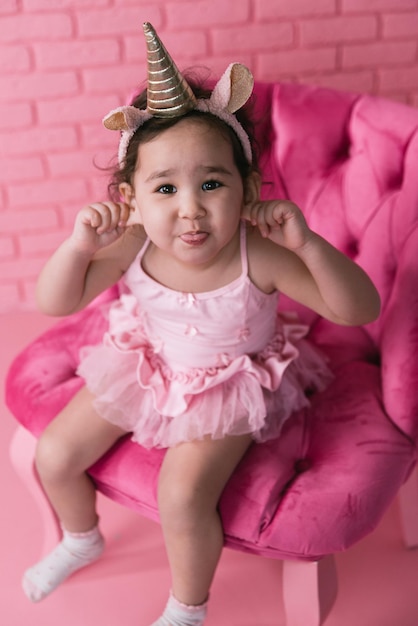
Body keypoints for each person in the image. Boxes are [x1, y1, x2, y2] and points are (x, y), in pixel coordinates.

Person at [22, 22, 381, 626]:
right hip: (147, 362)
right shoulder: (133, 240)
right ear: (133, 199)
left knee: (183, 494)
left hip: (228, 384)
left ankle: (188, 607)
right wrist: (79, 247)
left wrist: (309, 244)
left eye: (211, 183)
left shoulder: (256, 253)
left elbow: (358, 310)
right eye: (165, 188)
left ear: (246, 190)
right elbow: (55, 301)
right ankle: (82, 537)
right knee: (55, 453)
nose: (190, 209)